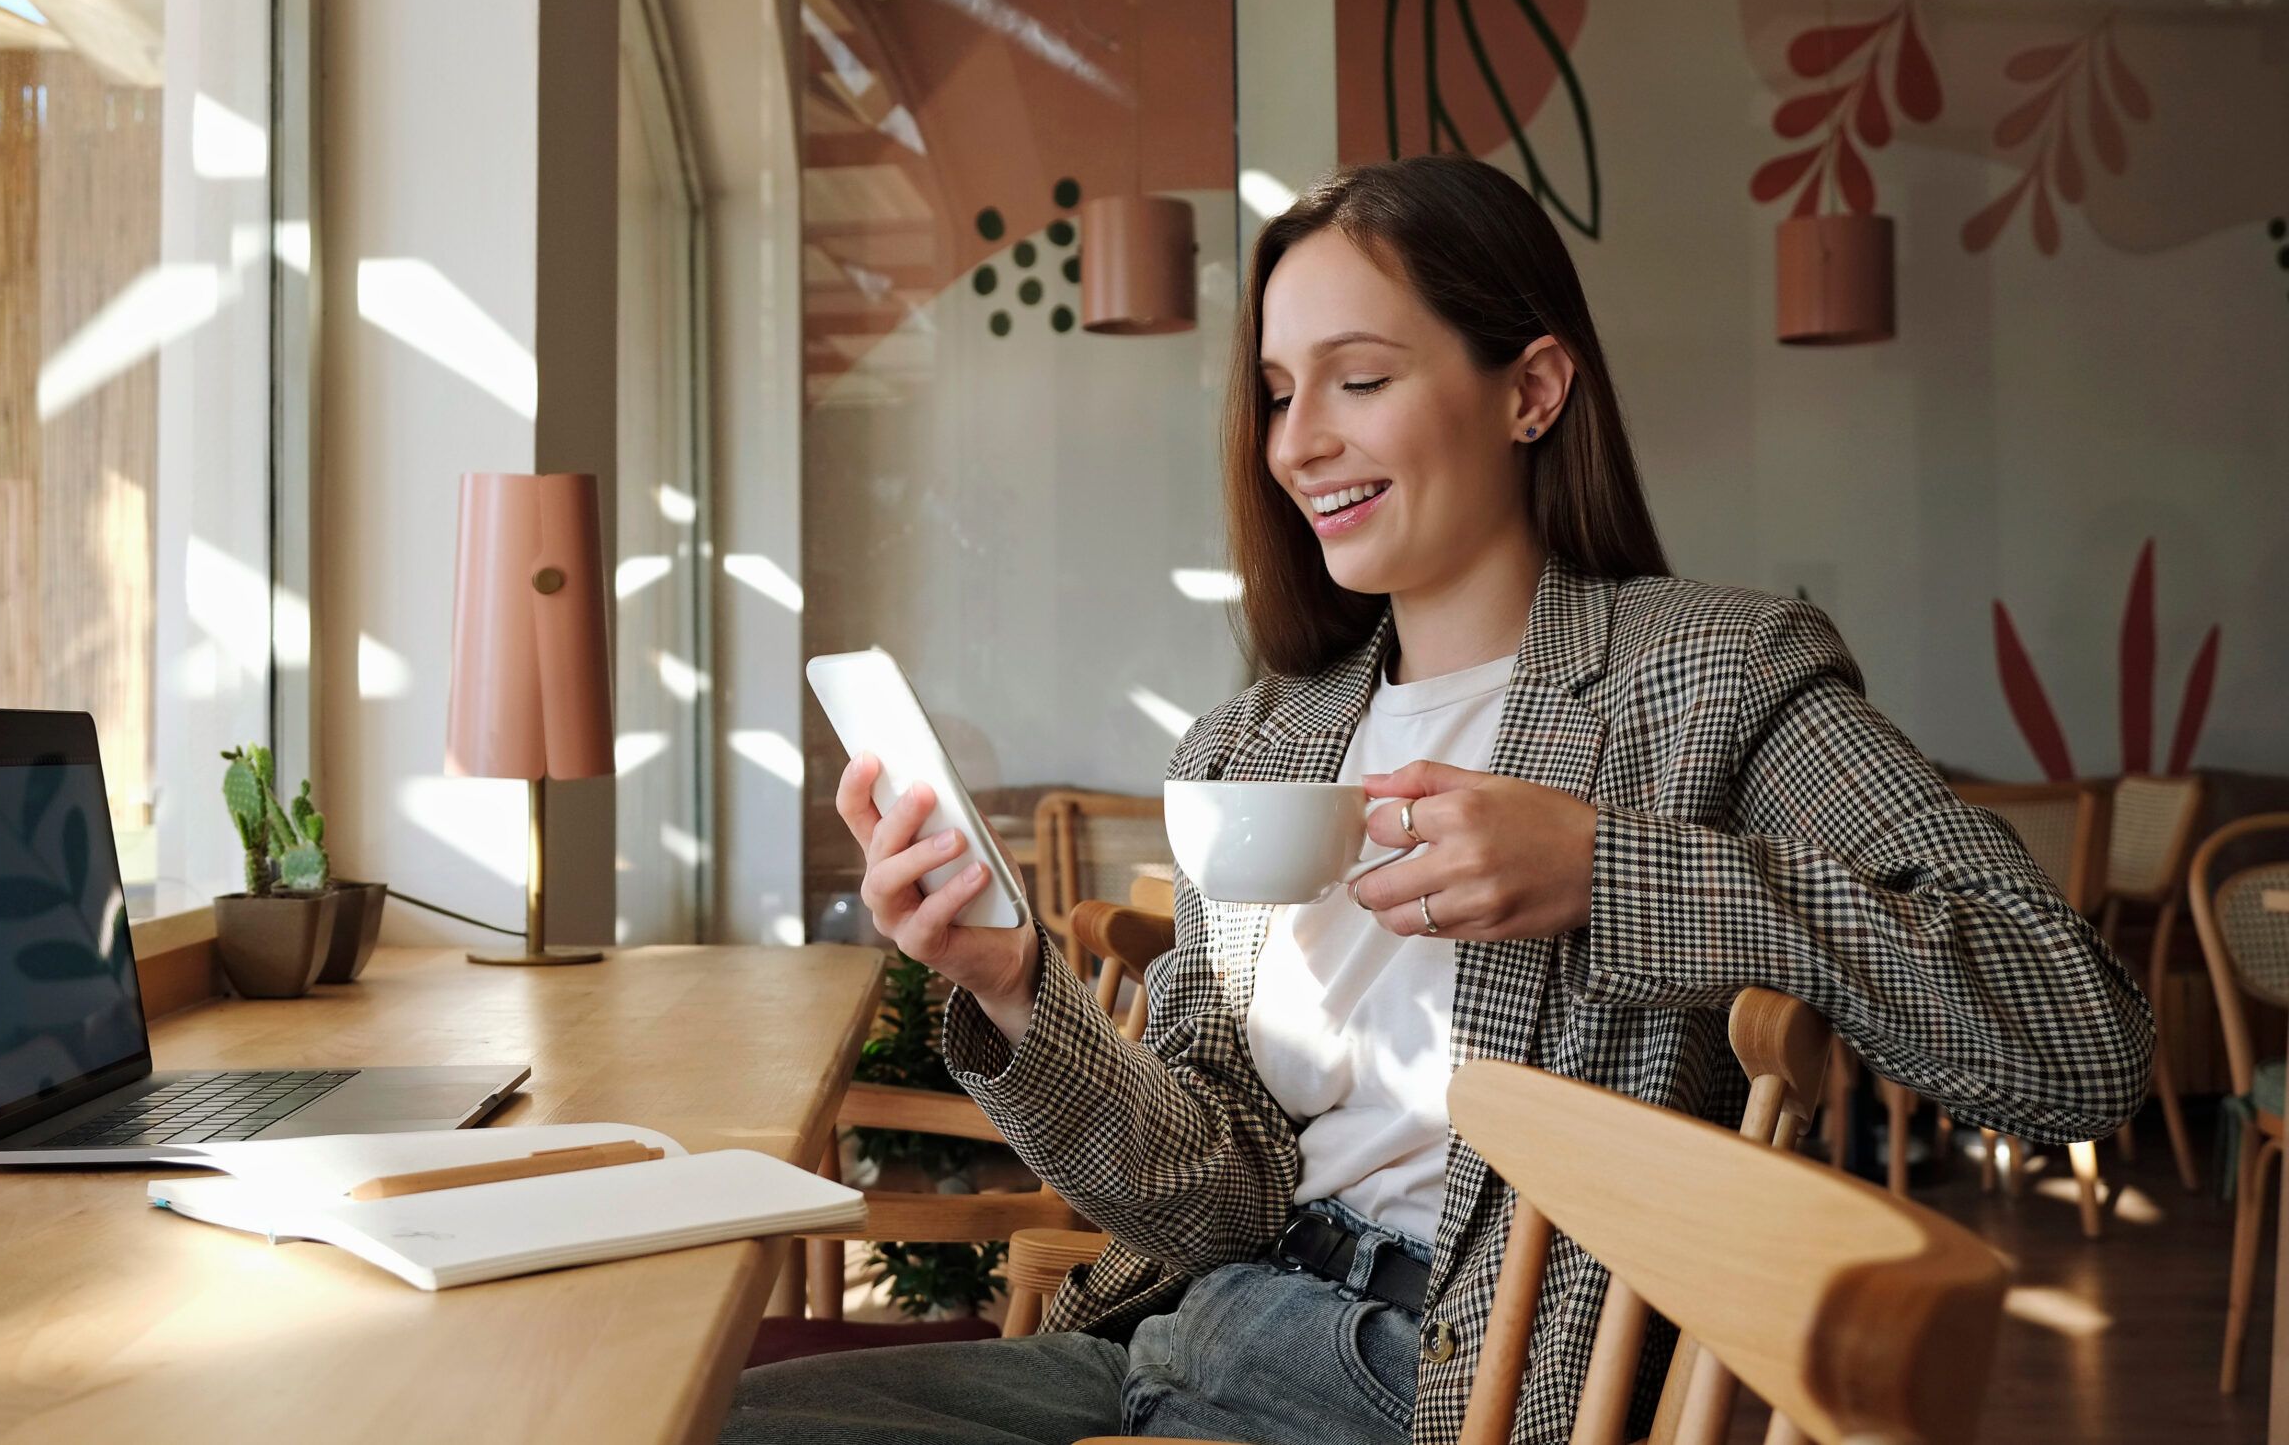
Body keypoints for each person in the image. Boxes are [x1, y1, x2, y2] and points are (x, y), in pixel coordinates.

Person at [728, 156, 2153, 1445]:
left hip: (1439, 1391)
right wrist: (1017, 984)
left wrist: (1614, 873)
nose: (1297, 444)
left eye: (1358, 379)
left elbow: (2081, 1037)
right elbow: (1208, 1198)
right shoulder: (1256, 742)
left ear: (1531, 391)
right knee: (696, 1418)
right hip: (1180, 1339)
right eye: (1281, 394)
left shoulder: (1709, 677)